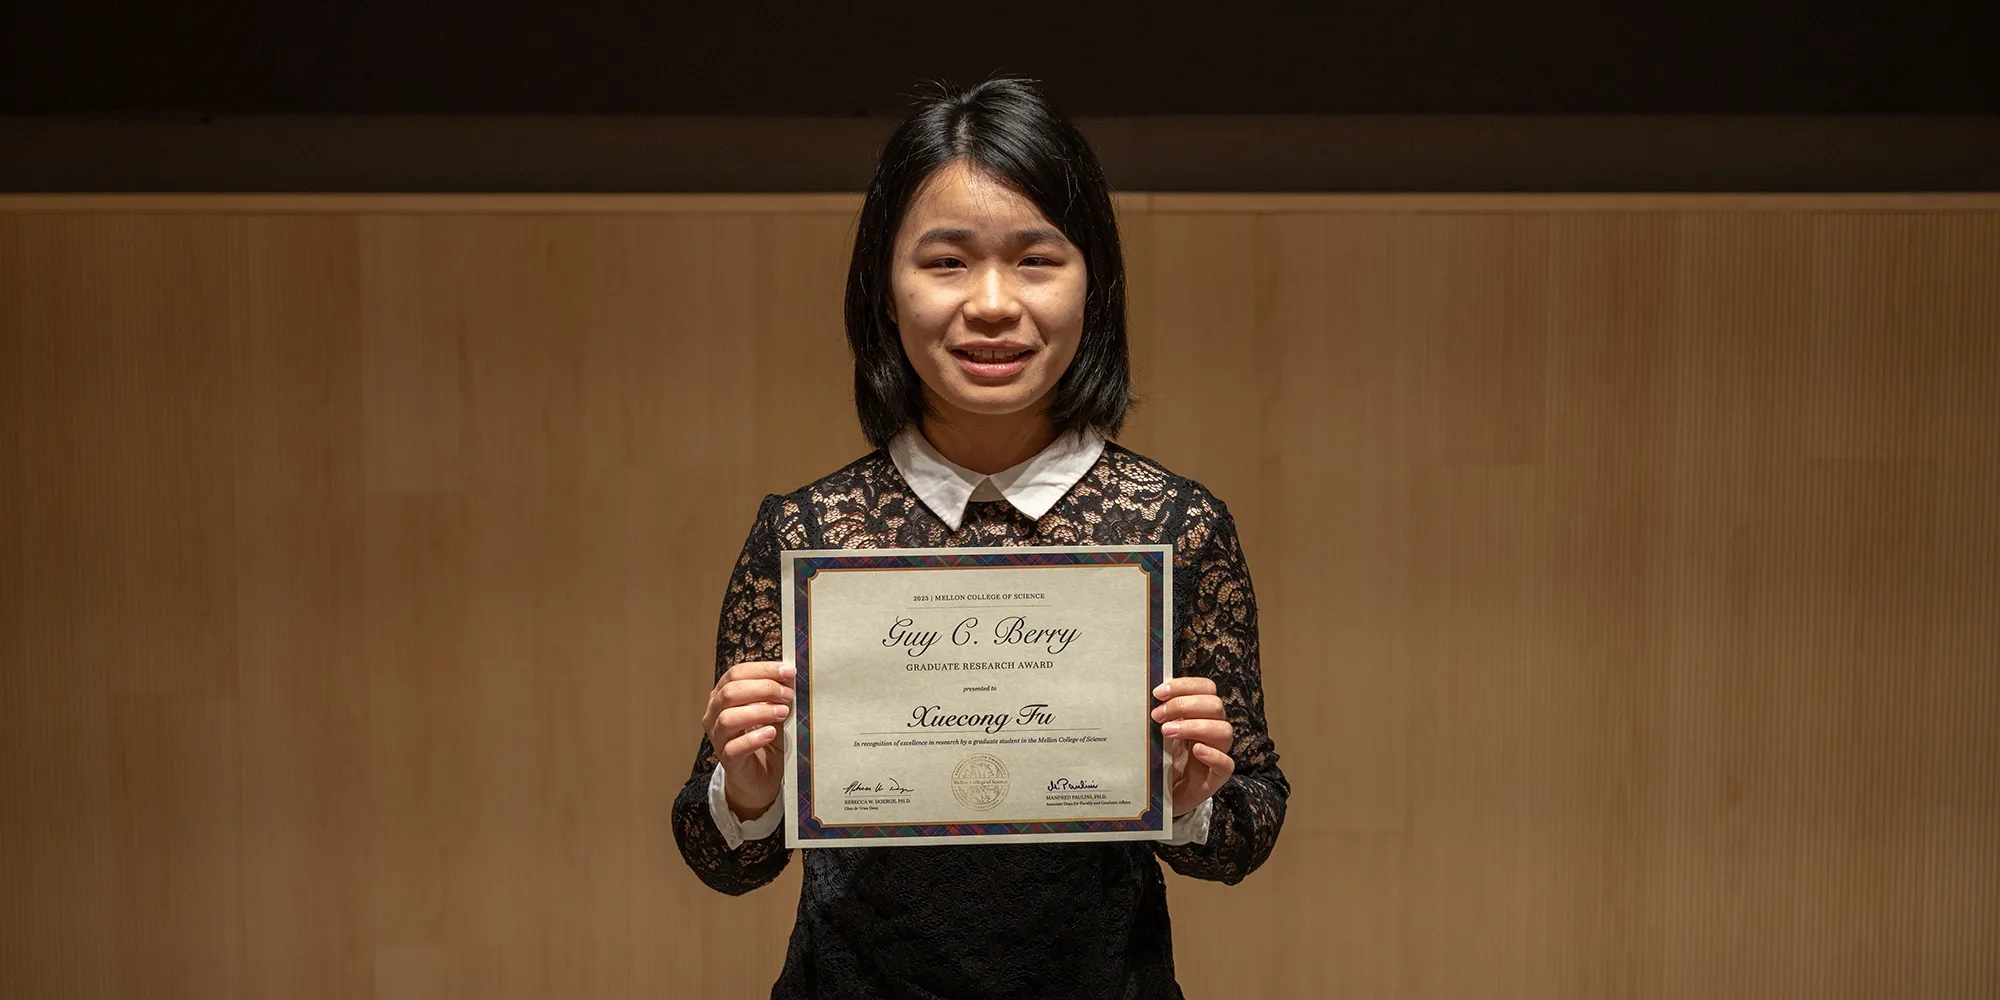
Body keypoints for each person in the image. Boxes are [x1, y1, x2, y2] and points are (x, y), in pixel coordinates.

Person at [671, 76, 1288, 999]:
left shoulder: (1174, 524)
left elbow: (1248, 828)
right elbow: (721, 858)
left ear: (1095, 286)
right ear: (885, 291)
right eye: (947, 262)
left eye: (1036, 259)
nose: (993, 304)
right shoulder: (806, 534)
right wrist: (751, 790)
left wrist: (1191, 795)